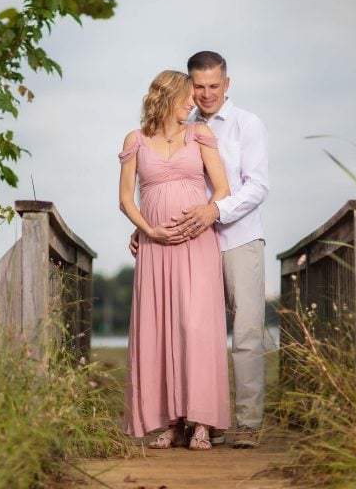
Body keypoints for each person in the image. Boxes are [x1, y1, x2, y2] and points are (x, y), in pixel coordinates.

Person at [130, 51, 270, 448]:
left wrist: (215, 211)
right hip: (187, 245)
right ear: (189, 87)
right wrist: (147, 227)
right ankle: (201, 418)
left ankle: (247, 423)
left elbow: (257, 186)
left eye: (214, 86)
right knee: (187, 331)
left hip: (237, 236)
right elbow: (161, 181)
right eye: (199, 87)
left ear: (227, 84)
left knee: (245, 333)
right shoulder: (182, 125)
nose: (206, 94)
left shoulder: (248, 124)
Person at [119, 69, 231, 451]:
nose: (193, 101)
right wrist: (147, 230)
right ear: (166, 97)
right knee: (159, 329)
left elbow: (223, 188)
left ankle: (202, 421)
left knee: (197, 327)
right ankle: (171, 423)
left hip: (196, 242)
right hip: (155, 247)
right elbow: (126, 200)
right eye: (186, 95)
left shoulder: (199, 135)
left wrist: (203, 214)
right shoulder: (135, 140)